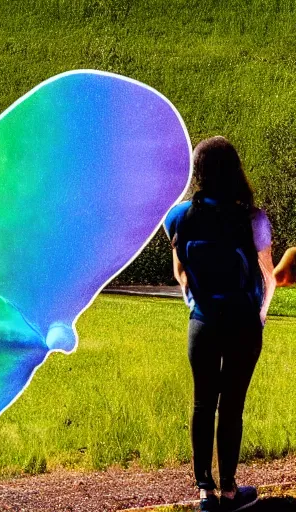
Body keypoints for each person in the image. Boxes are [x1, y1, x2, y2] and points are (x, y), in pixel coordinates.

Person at [163, 136, 275, 512]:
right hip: (243, 324)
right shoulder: (253, 219)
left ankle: (204, 493)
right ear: (235, 170)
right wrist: (261, 313)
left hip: (203, 323)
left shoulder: (177, 216)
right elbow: (268, 277)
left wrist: (191, 299)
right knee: (232, 406)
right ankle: (230, 491)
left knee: (202, 403)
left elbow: (181, 268)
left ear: (199, 173)